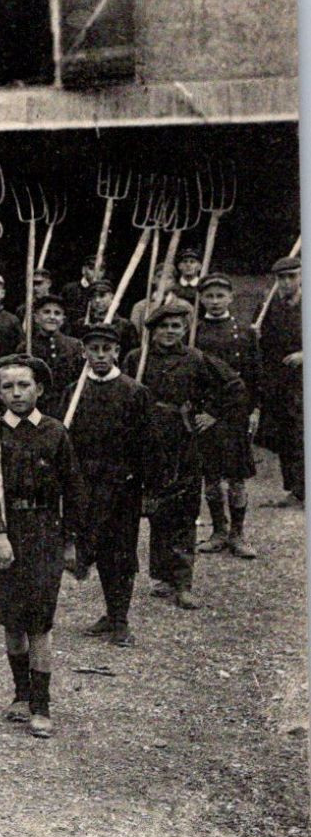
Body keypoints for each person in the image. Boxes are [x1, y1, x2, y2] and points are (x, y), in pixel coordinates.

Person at [0, 355, 84, 739]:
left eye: (23, 385)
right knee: (11, 618)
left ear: (39, 389)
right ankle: (20, 694)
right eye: (7, 386)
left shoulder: (55, 432)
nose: (16, 393)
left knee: (39, 620)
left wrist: (69, 540)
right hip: (4, 532)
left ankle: (41, 704)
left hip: (43, 532)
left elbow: (73, 490)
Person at [123, 298, 248, 610]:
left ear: (185, 328)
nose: (169, 331)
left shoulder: (196, 358)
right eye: (163, 326)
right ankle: (162, 577)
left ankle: (183, 582)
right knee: (157, 510)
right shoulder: (137, 358)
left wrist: (212, 413)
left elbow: (233, 385)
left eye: (175, 326)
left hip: (183, 441)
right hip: (148, 442)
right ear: (151, 330)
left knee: (184, 509)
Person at [69, 324, 153, 648]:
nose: (100, 355)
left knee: (121, 550)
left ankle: (120, 619)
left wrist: (146, 488)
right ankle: (110, 610)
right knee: (99, 547)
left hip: (123, 486)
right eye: (94, 349)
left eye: (107, 349)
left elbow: (147, 444)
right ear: (84, 352)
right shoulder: (74, 392)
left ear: (117, 351)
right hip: (88, 485)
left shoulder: (134, 391)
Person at [190, 274, 262, 558]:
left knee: (236, 476)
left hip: (235, 412)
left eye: (221, 295)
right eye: (210, 296)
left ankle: (238, 534)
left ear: (230, 298)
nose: (216, 301)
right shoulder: (194, 333)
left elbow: (254, 376)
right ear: (202, 299)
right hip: (205, 414)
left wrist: (255, 409)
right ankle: (218, 530)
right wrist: (203, 411)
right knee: (211, 475)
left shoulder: (245, 332)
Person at [256, 254, 304, 506]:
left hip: (304, 379)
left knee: (302, 432)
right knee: (286, 434)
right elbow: (261, 341)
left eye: (291, 277)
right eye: (281, 278)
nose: (286, 282)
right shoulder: (269, 305)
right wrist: (254, 333)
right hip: (280, 380)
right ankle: (295, 490)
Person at [28, 294, 85, 418]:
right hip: (37, 409)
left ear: (63, 319)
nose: (52, 317)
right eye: (47, 312)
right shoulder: (27, 346)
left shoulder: (75, 346)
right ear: (36, 317)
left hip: (68, 407)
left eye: (57, 313)